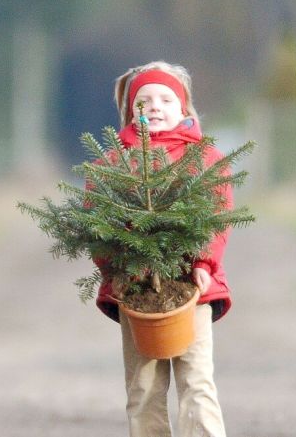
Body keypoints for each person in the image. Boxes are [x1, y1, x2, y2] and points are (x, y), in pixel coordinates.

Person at [96, 61, 231, 437]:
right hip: (137, 291)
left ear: (183, 107)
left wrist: (204, 262)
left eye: (166, 99)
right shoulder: (115, 162)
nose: (155, 107)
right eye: (145, 100)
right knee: (144, 388)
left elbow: (217, 215)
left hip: (192, 288)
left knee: (197, 382)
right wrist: (119, 268)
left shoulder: (202, 158)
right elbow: (99, 223)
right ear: (130, 110)